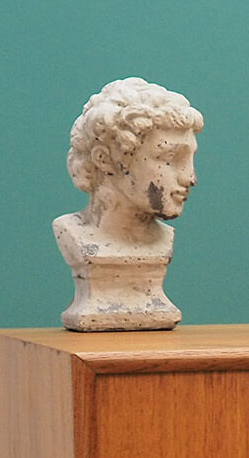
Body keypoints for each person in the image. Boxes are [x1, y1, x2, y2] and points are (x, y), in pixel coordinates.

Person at [54, 78, 203, 331]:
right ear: (105, 160)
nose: (190, 177)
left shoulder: (165, 239)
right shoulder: (72, 232)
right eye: (170, 157)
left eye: (190, 159)